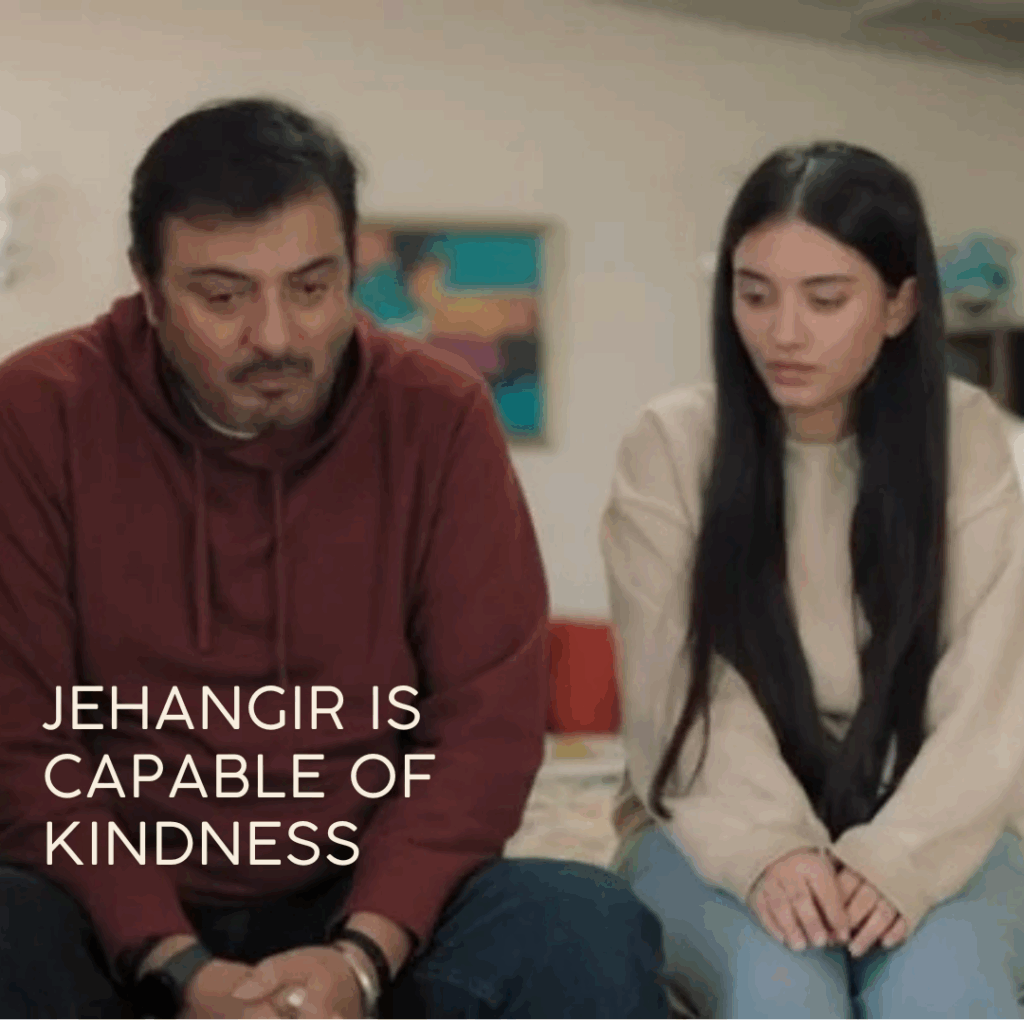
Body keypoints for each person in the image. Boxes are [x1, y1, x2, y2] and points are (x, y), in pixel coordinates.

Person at [0, 96, 667, 1020]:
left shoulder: (439, 415)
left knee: (583, 920)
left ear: (353, 268)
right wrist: (180, 967)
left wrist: (359, 960)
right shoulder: (37, 411)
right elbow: (23, 744)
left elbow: (483, 730)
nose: (276, 336)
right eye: (223, 297)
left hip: (367, 903)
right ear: (147, 289)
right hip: (115, 907)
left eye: (312, 289)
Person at [602, 141, 1024, 1018]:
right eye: (755, 294)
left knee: (942, 998)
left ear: (901, 304)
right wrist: (771, 848)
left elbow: (993, 695)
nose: (783, 333)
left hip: (939, 825)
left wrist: (899, 857)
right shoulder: (672, 444)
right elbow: (678, 691)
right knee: (785, 993)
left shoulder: (972, 440)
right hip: (711, 826)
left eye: (825, 299)